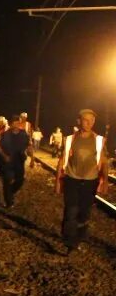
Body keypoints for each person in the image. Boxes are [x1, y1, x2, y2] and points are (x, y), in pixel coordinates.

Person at [55, 109, 109, 255]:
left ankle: (78, 236)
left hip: (90, 182)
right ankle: (70, 242)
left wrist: (105, 182)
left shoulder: (99, 140)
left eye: (92, 120)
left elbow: (104, 162)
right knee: (71, 211)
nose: (89, 123)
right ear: (79, 121)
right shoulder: (70, 139)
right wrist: (57, 180)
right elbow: (62, 160)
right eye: (86, 120)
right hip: (72, 179)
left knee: (84, 213)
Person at [0, 115, 35, 207]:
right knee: (7, 181)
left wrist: (32, 159)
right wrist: (4, 156)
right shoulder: (5, 135)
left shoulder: (24, 134)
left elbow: (29, 146)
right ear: (11, 124)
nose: (17, 125)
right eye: (15, 123)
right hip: (7, 162)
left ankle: (10, 192)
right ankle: (8, 202)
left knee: (20, 181)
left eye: (18, 123)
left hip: (19, 162)